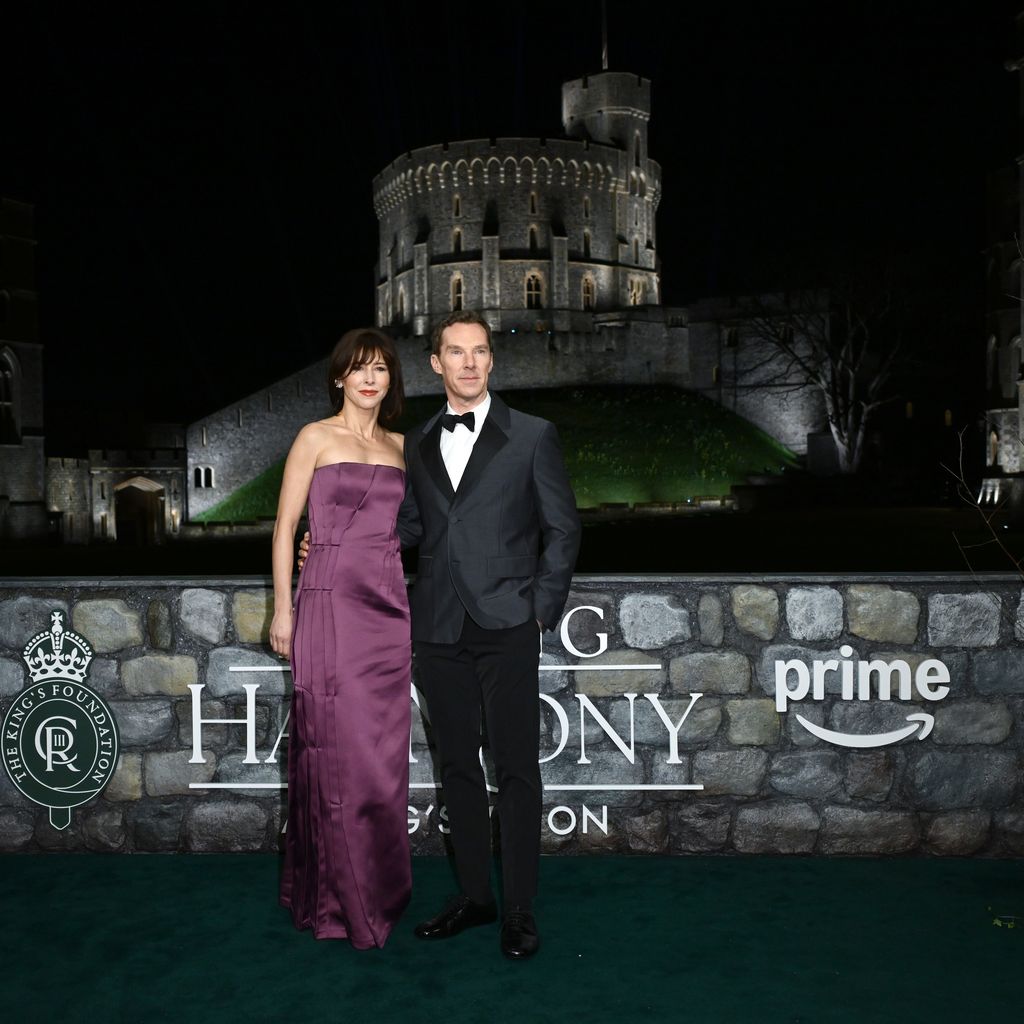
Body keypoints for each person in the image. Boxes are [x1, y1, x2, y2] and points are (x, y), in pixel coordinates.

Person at [395, 309, 580, 959]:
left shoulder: (532, 435)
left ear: (491, 361)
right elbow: (412, 529)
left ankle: (520, 910)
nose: (469, 362)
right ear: (436, 363)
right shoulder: (416, 442)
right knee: (456, 771)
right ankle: (476, 898)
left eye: (479, 351)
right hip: (439, 627)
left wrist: (541, 608)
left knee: (517, 770)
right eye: (456, 351)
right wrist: (340, 547)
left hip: (507, 624)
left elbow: (562, 528)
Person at [270, 327, 411, 949]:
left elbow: (424, 529)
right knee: (336, 749)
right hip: (326, 607)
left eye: (380, 368)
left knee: (381, 762)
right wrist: (283, 609)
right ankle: (336, 902)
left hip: (388, 613)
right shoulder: (314, 438)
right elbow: (284, 529)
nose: (370, 378)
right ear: (339, 378)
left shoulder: (404, 447)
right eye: (359, 368)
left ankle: (381, 889)